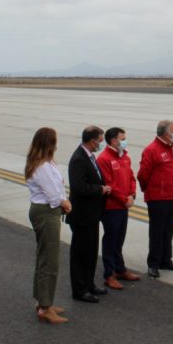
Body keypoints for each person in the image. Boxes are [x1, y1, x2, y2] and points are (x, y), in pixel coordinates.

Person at [26, 127, 71, 324]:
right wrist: (65, 203)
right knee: (49, 260)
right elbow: (53, 194)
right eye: (54, 141)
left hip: (47, 210)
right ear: (48, 144)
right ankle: (45, 307)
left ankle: (44, 302)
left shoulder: (45, 163)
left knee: (44, 257)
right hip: (46, 212)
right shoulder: (42, 167)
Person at [66, 126, 111, 303]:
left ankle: (89, 284)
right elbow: (78, 186)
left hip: (92, 214)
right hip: (82, 215)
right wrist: (100, 189)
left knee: (91, 252)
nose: (101, 144)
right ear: (91, 141)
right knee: (80, 254)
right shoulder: (79, 158)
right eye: (99, 141)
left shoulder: (89, 156)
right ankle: (79, 289)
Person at [137, 120, 173, 278]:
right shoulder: (152, 150)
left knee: (168, 231)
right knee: (157, 232)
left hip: (170, 197)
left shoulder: (169, 148)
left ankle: (166, 260)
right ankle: (153, 264)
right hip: (157, 198)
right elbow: (142, 175)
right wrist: (149, 190)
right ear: (166, 133)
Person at [96, 127, 141, 290]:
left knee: (119, 240)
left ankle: (120, 269)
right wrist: (124, 199)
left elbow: (131, 178)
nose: (125, 140)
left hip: (123, 206)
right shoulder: (104, 159)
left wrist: (132, 195)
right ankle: (109, 274)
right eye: (122, 138)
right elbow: (109, 185)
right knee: (111, 240)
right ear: (114, 141)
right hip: (112, 207)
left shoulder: (125, 157)